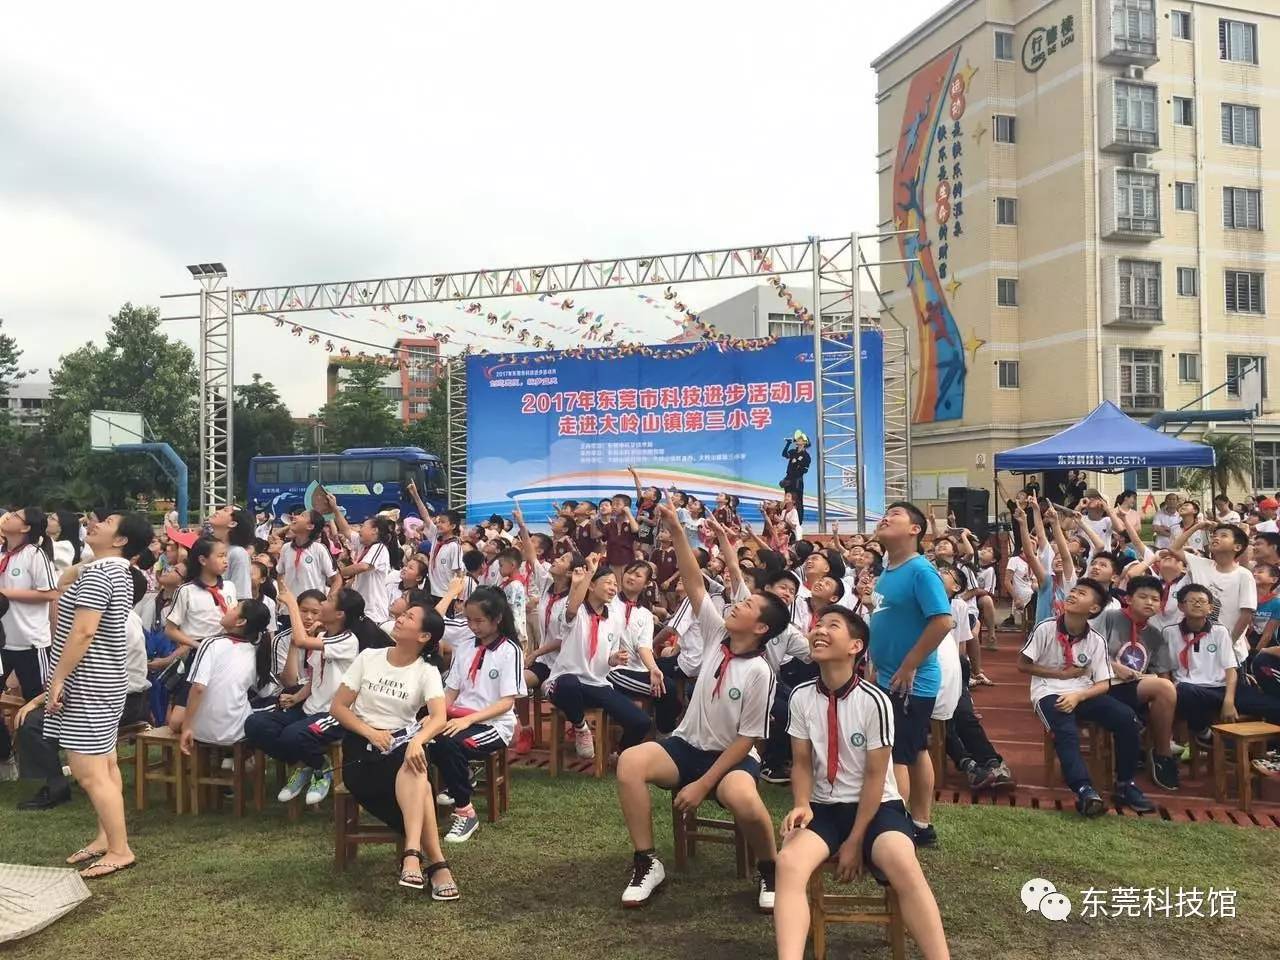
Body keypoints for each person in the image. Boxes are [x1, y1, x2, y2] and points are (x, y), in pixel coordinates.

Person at [615, 499, 790, 911]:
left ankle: (771, 868)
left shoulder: (760, 672)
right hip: (685, 746)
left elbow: (747, 739)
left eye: (746, 606)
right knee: (630, 763)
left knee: (745, 798)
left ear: (761, 628)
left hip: (729, 759)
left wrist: (703, 784)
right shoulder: (717, 634)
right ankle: (646, 862)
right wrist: (677, 528)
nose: (736, 604)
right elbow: (694, 584)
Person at [773, 606, 950, 960]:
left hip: (877, 809)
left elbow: (874, 776)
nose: (819, 630)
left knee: (902, 860)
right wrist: (802, 803)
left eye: (832, 626)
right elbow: (803, 763)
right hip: (824, 807)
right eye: (818, 625)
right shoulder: (802, 696)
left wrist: (855, 841)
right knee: (789, 864)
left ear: (855, 646)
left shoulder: (875, 700)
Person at [14, 511, 153, 878]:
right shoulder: (115, 571)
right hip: (103, 680)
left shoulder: (103, 574)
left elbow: (83, 632)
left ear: (121, 540)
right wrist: (85, 565)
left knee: (88, 771)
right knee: (105, 764)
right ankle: (106, 838)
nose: (95, 524)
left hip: (87, 682)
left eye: (106, 524)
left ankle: (121, 849)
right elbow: (66, 579)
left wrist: (57, 679)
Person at [330, 602, 458, 899]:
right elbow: (338, 707)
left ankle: (413, 855)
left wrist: (416, 740)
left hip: (401, 747)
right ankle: (435, 863)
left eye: (409, 617)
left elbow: (439, 717)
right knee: (422, 784)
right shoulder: (369, 657)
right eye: (402, 615)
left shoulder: (426, 671)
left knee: (413, 762)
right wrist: (371, 733)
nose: (400, 618)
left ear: (424, 636)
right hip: (362, 749)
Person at [1018, 577, 1155, 816]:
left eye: (1081, 594)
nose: (1072, 595)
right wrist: (1058, 674)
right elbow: (1023, 665)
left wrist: (1078, 696)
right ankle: (1084, 789)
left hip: (1083, 690)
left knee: (1128, 719)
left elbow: (1103, 684)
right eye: (1073, 591)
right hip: (1049, 691)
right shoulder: (1046, 628)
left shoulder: (1096, 640)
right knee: (1066, 731)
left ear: (1093, 609)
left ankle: (1125, 784)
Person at [866, 502, 952, 847]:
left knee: (896, 755)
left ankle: (895, 830)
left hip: (909, 681)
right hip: (888, 675)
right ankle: (920, 824)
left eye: (895, 514)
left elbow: (942, 621)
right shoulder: (889, 569)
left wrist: (909, 664)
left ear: (915, 530)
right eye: (884, 512)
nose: (885, 517)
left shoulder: (921, 571)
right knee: (913, 749)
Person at [243, 584, 360, 807]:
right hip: (309, 708)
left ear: (339, 614)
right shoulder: (325, 635)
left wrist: (292, 606)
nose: (322, 603)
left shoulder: (347, 640)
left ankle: (321, 769)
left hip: (334, 713)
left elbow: (301, 640)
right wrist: (297, 698)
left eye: (328, 601)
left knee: (293, 735)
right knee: (255, 724)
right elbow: (317, 676)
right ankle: (309, 764)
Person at [429, 586, 525, 844]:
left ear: (497, 619)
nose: (473, 626)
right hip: (460, 718)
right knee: (424, 737)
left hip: (493, 724)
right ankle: (460, 779)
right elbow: (451, 690)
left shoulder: (510, 651)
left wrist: (469, 719)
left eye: (479, 621)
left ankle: (465, 811)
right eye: (469, 620)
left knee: (449, 743)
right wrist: (436, 716)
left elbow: (506, 702)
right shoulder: (464, 648)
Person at [545, 557, 651, 763]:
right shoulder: (577, 611)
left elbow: (607, 658)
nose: (613, 588)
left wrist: (614, 659)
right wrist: (589, 573)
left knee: (641, 721)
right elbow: (573, 608)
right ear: (592, 585)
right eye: (608, 583)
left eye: (615, 584)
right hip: (567, 684)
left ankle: (620, 754)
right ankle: (580, 727)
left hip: (597, 685)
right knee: (568, 682)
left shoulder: (614, 618)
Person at [1093, 576, 1180, 790]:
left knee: (1168, 689)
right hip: (1102, 684)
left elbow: (1163, 672)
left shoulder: (1154, 635)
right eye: (1143, 597)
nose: (1149, 602)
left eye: (1155, 599)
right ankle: (1163, 753)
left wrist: (1168, 700)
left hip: (1132, 687)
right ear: (1128, 599)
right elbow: (1088, 651)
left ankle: (1160, 752)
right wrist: (1114, 666)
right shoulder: (1109, 617)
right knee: (1164, 688)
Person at [1167, 583, 1280, 739]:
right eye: (1191, 601)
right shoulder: (1169, 633)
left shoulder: (1220, 632)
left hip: (1222, 689)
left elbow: (1230, 669)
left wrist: (1228, 700)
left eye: (1202, 601)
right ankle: (1204, 735)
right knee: (1184, 690)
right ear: (1181, 606)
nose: (1197, 604)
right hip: (1191, 690)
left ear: (1210, 608)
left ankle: (1272, 749)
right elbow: (1165, 670)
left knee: (1274, 706)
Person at [0, 507, 58, 779]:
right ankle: (5, 754)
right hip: (4, 640)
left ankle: (46, 769)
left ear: (25, 528)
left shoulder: (35, 555)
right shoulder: (3, 553)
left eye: (15, 515)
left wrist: (6, 593)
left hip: (31, 641)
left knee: (39, 703)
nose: (8, 517)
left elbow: (49, 592)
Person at [177, 599, 273, 753]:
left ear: (240, 621)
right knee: (271, 703)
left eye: (235, 608)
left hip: (199, 731)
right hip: (235, 732)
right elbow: (266, 691)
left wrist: (187, 727)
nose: (229, 608)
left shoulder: (210, 643)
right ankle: (242, 757)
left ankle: (231, 758)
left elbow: (198, 687)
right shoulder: (256, 651)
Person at [164, 537, 237, 734]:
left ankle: (217, 747)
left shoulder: (229, 587)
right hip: (198, 653)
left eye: (226, 556)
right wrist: (196, 646)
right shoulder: (186, 591)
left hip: (227, 651)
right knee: (176, 723)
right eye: (220, 556)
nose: (225, 561)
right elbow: (170, 629)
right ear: (203, 560)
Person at [1169, 519, 1257, 662]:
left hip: (1230, 649)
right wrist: (1197, 526)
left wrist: (1229, 642)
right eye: (1214, 535)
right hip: (1198, 644)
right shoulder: (1200, 564)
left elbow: (1246, 614)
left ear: (1237, 546)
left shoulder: (1243, 575)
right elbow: (1174, 548)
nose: (1216, 537)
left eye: (1223, 535)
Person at [606, 561, 677, 734]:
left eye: (638, 575)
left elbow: (643, 646)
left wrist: (653, 668)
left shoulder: (645, 614)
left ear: (646, 584)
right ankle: (665, 734)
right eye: (629, 572)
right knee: (668, 690)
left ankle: (663, 733)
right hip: (613, 670)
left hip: (637, 669)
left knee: (667, 687)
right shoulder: (609, 601)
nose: (631, 577)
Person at [334, 508, 398, 626]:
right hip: (362, 609)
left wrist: (338, 573)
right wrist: (334, 509)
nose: (359, 530)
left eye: (363, 526)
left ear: (374, 530)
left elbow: (363, 566)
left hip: (373, 612)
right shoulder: (363, 545)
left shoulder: (379, 548)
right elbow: (345, 529)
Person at [276, 509, 340, 598]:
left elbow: (337, 580)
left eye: (302, 515)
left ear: (310, 526)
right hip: (288, 608)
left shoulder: (319, 549)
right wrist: (282, 594)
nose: (294, 517)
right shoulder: (286, 548)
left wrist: (327, 601)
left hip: (311, 608)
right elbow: (280, 574)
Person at [210, 505, 255, 600]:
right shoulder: (207, 546)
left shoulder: (238, 553)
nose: (218, 511)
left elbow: (241, 595)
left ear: (232, 523)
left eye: (225, 510)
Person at [780, 432, 812, 522]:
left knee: (797, 501)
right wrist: (788, 443)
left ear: (805, 442)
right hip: (788, 478)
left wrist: (797, 463)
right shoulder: (793, 451)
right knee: (787, 499)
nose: (797, 440)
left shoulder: (806, 456)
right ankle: (786, 520)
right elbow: (784, 454)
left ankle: (798, 521)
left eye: (800, 439)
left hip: (797, 481)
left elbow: (804, 470)